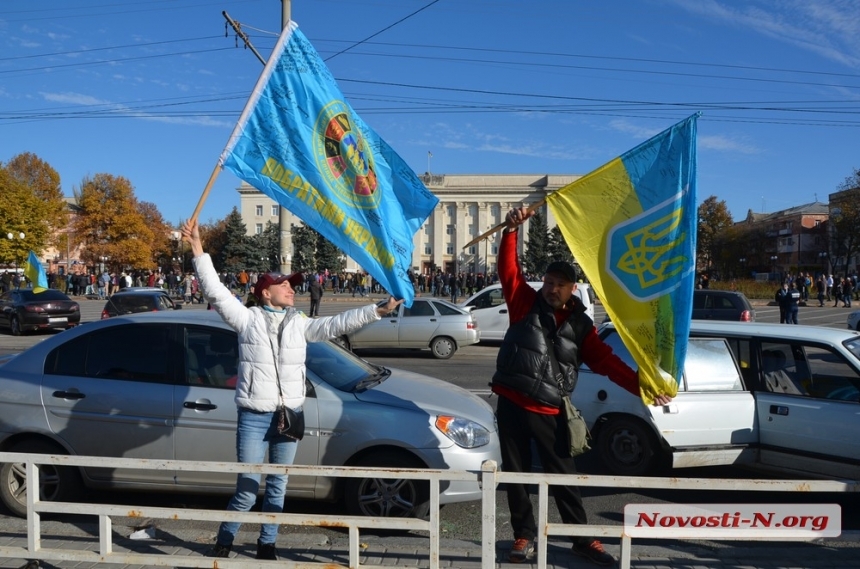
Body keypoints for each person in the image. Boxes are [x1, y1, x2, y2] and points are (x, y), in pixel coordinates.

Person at [181, 219, 402, 561]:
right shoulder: (247, 319)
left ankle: (267, 544)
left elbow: (336, 324)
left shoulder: (300, 324)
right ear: (264, 292)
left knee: (278, 487)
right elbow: (215, 291)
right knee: (247, 488)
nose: (291, 289)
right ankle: (224, 540)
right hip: (254, 417)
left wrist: (378, 310)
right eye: (283, 285)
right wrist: (198, 248)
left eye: (291, 285)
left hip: (290, 417)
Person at [491, 207, 672, 567]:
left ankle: (582, 539)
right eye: (549, 281)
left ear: (573, 289)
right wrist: (510, 232)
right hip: (512, 403)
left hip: (550, 410)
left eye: (560, 284)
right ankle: (523, 535)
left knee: (564, 479)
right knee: (516, 476)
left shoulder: (581, 326)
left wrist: (643, 387)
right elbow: (508, 272)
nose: (552, 288)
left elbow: (607, 363)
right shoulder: (524, 302)